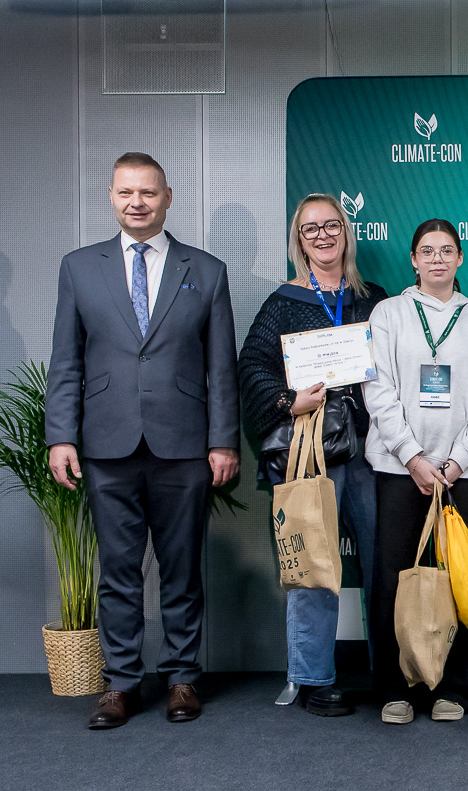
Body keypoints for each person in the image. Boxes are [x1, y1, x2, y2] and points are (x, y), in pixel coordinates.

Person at [46, 152, 240, 729]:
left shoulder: (207, 271)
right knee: (117, 572)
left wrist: (224, 441)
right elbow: (66, 361)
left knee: (181, 570)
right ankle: (122, 684)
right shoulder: (79, 268)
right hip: (106, 446)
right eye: (126, 192)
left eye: (148, 192)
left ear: (168, 198)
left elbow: (221, 368)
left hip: (184, 446)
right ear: (111, 196)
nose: (137, 202)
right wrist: (61, 437)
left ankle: (181, 678)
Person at [237, 193, 388, 716]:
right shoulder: (284, 301)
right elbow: (251, 366)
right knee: (313, 564)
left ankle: (391, 676)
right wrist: (288, 400)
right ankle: (313, 678)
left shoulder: (374, 299)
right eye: (310, 229)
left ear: (346, 232)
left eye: (331, 226)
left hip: (371, 448)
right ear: (299, 241)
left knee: (383, 562)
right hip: (310, 447)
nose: (322, 236)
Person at [363, 219, 468, 725]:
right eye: (427, 251)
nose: (437, 259)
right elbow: (377, 390)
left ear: (460, 258)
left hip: (461, 473)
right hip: (400, 469)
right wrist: (413, 457)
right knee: (393, 580)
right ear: (413, 260)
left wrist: (457, 460)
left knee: (459, 578)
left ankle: (453, 688)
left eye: (447, 250)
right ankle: (394, 689)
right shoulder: (388, 313)